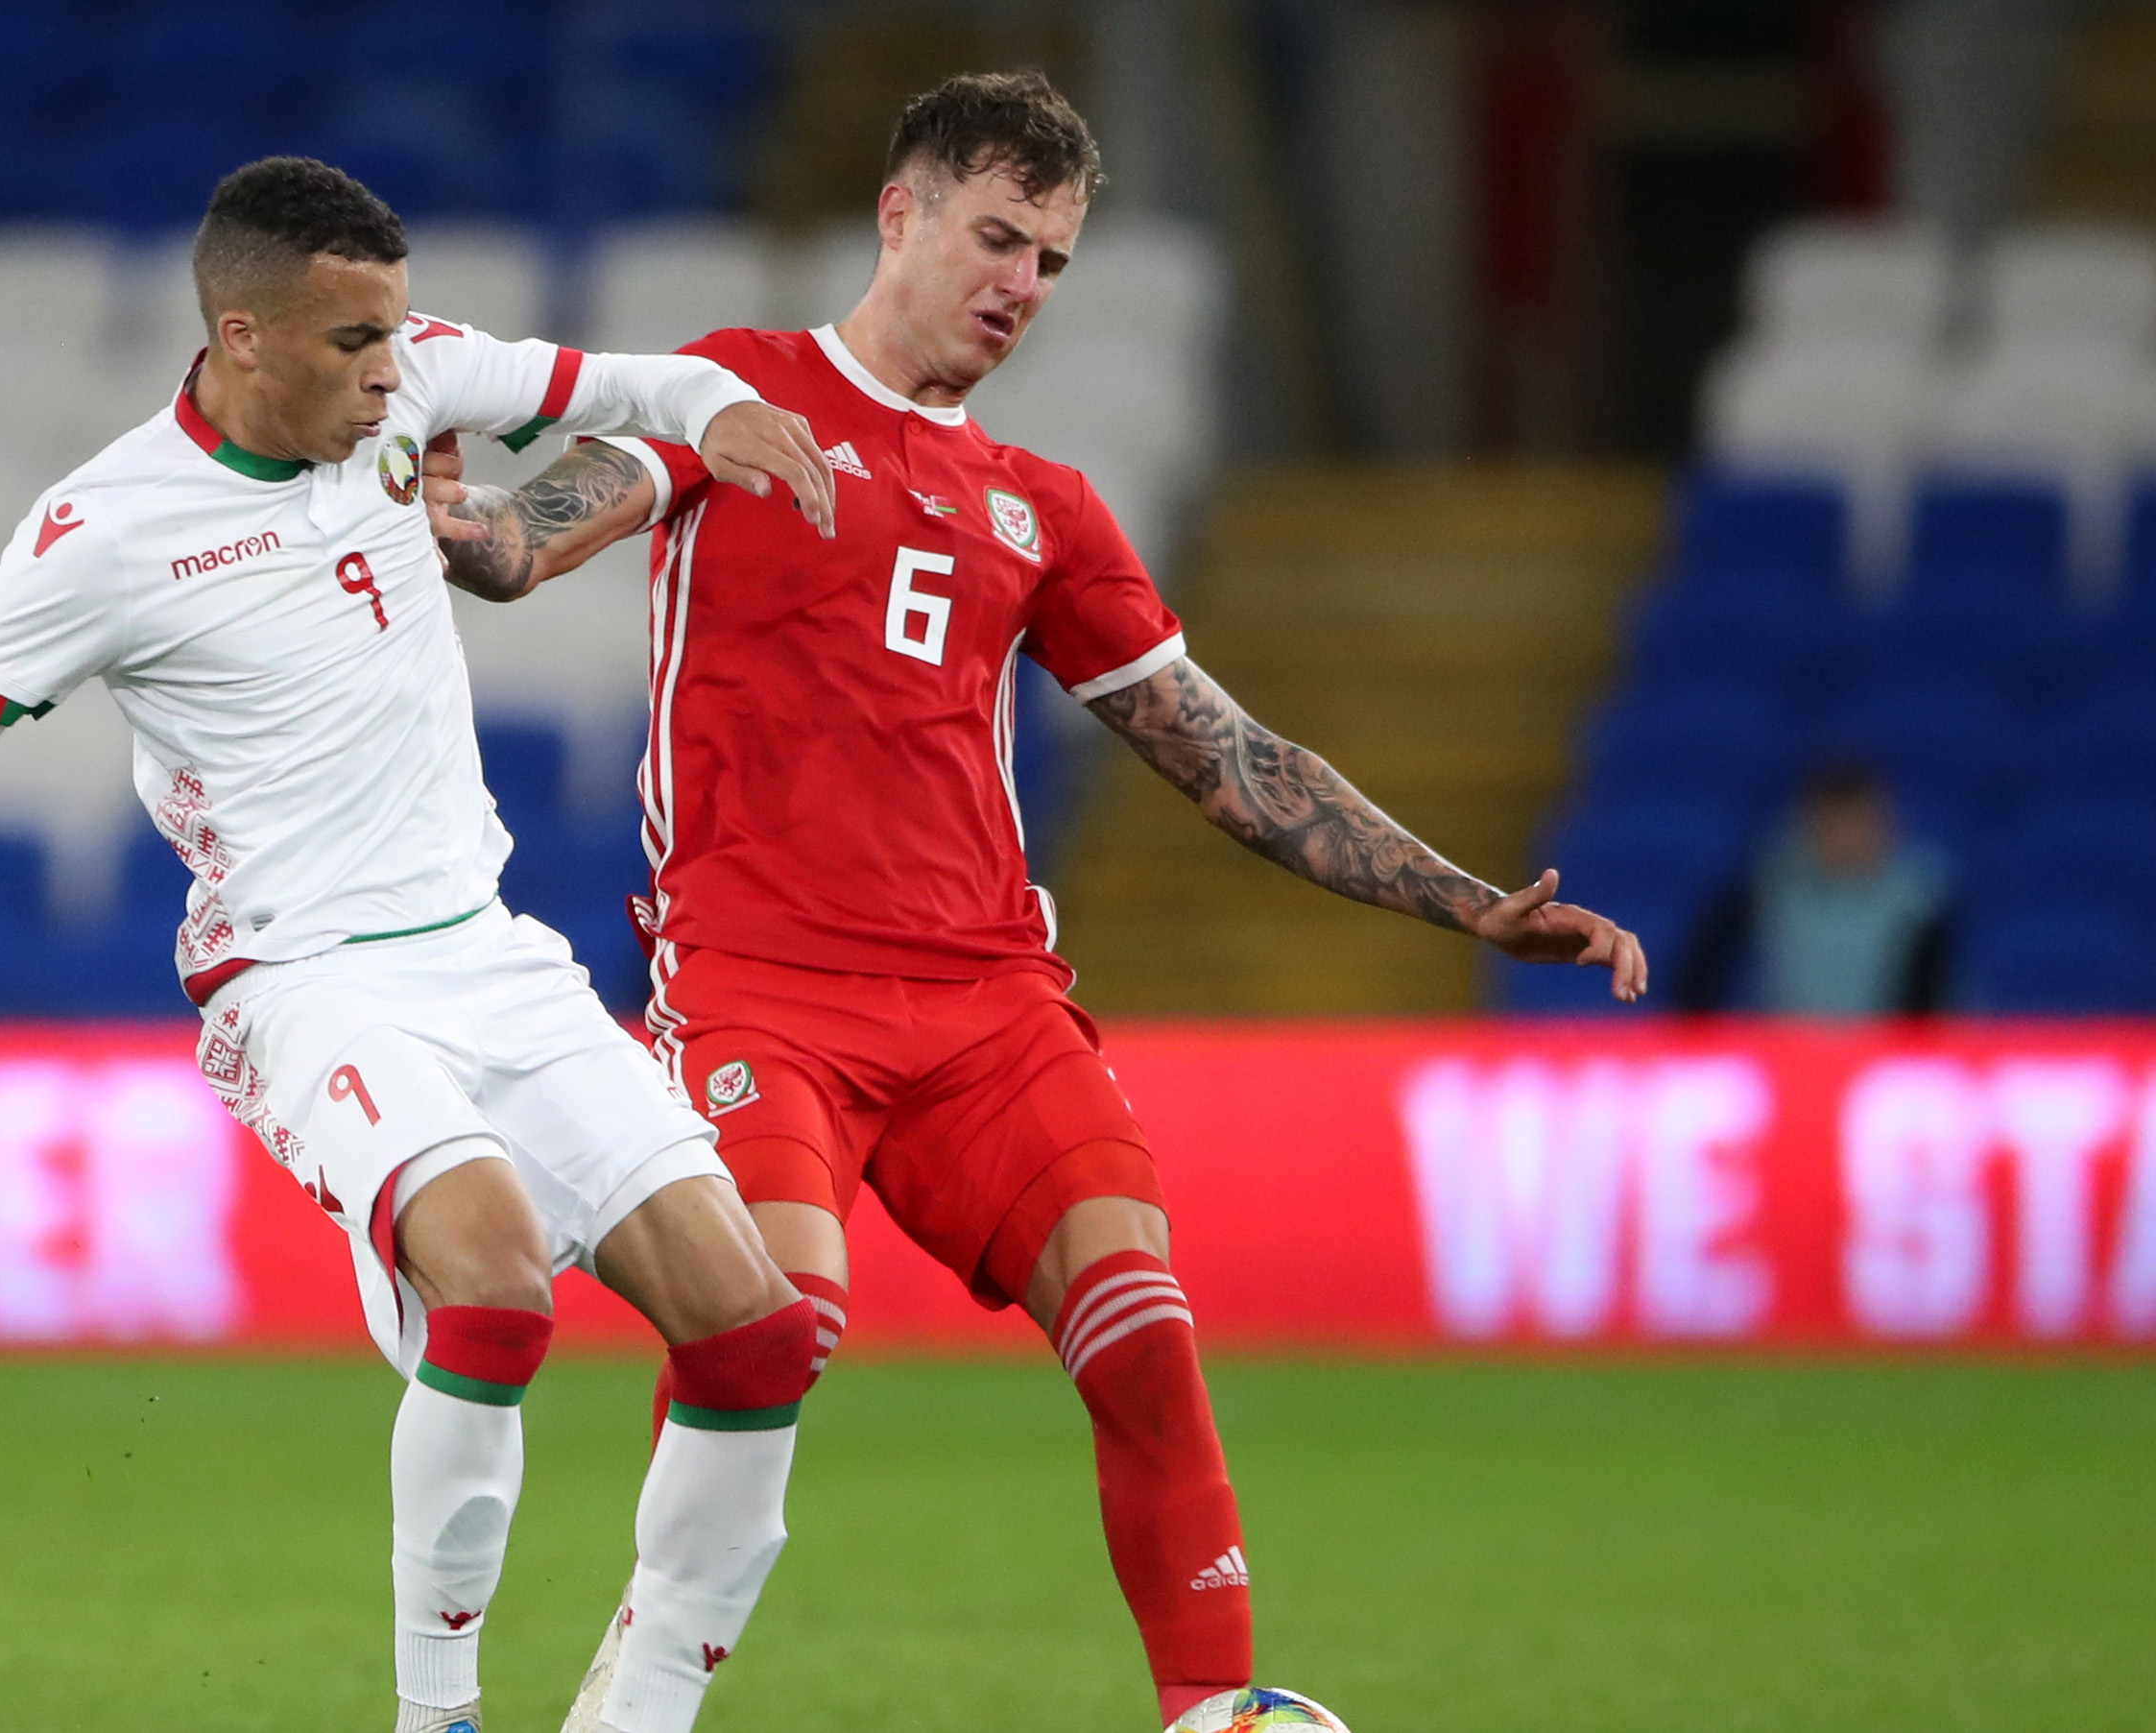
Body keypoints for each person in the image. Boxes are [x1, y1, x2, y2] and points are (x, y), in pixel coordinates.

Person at [428, 73, 1648, 1732]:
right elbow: (528, 536)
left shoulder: (1042, 507)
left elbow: (1222, 753)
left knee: (1143, 1330)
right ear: (898, 216)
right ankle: (636, 1703)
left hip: (990, 1008)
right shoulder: (733, 395)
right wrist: (464, 524)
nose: (1017, 285)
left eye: (1052, 261)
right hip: (763, 988)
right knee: (768, 1336)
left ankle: (1208, 1711)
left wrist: (1463, 904)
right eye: (995, 237)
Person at [0, 157, 847, 1733]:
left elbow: (621, 373)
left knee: (758, 1338)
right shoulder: (101, 531)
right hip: (298, 978)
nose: (390, 370)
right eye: (353, 341)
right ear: (240, 336)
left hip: (488, 953)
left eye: (397, 334)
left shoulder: (411, 385)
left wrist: (715, 414)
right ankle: (437, 1717)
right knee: (496, 1299)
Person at [1678, 758, 1952, 1013]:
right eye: (1833, 823)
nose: (1845, 839)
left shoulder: (1919, 897)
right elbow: (1702, 973)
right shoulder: (1771, 884)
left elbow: (1936, 996)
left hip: (1884, 1051)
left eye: (1855, 823)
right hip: (1789, 1047)